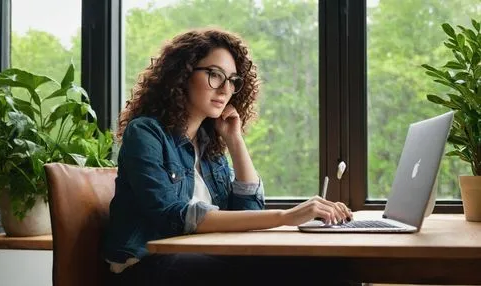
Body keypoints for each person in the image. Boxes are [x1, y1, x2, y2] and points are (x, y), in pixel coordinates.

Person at [102, 27, 355, 286]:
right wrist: (286, 216)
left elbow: (248, 212)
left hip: (200, 258)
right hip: (145, 267)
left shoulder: (208, 145)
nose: (225, 89)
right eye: (215, 75)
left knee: (331, 267)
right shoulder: (146, 132)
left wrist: (235, 141)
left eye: (233, 80)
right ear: (182, 74)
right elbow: (172, 216)